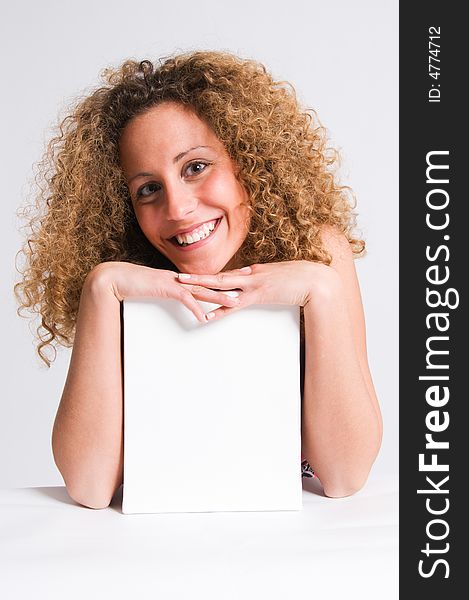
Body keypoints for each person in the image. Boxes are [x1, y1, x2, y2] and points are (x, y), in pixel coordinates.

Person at [15, 50, 383, 509]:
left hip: (285, 548)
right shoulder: (127, 280)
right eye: (148, 189)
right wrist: (101, 289)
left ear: (249, 161)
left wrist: (321, 291)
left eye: (195, 167)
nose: (178, 209)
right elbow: (89, 487)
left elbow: (345, 475)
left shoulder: (317, 253)